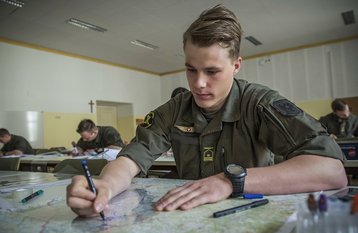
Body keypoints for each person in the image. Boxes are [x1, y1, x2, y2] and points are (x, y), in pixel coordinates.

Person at [67, 5, 347, 218]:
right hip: (187, 217)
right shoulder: (173, 111)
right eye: (191, 69)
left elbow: (331, 170)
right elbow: (130, 160)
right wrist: (105, 186)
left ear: (236, 65)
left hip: (251, 215)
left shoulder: (260, 103)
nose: (198, 83)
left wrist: (230, 181)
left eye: (212, 71)